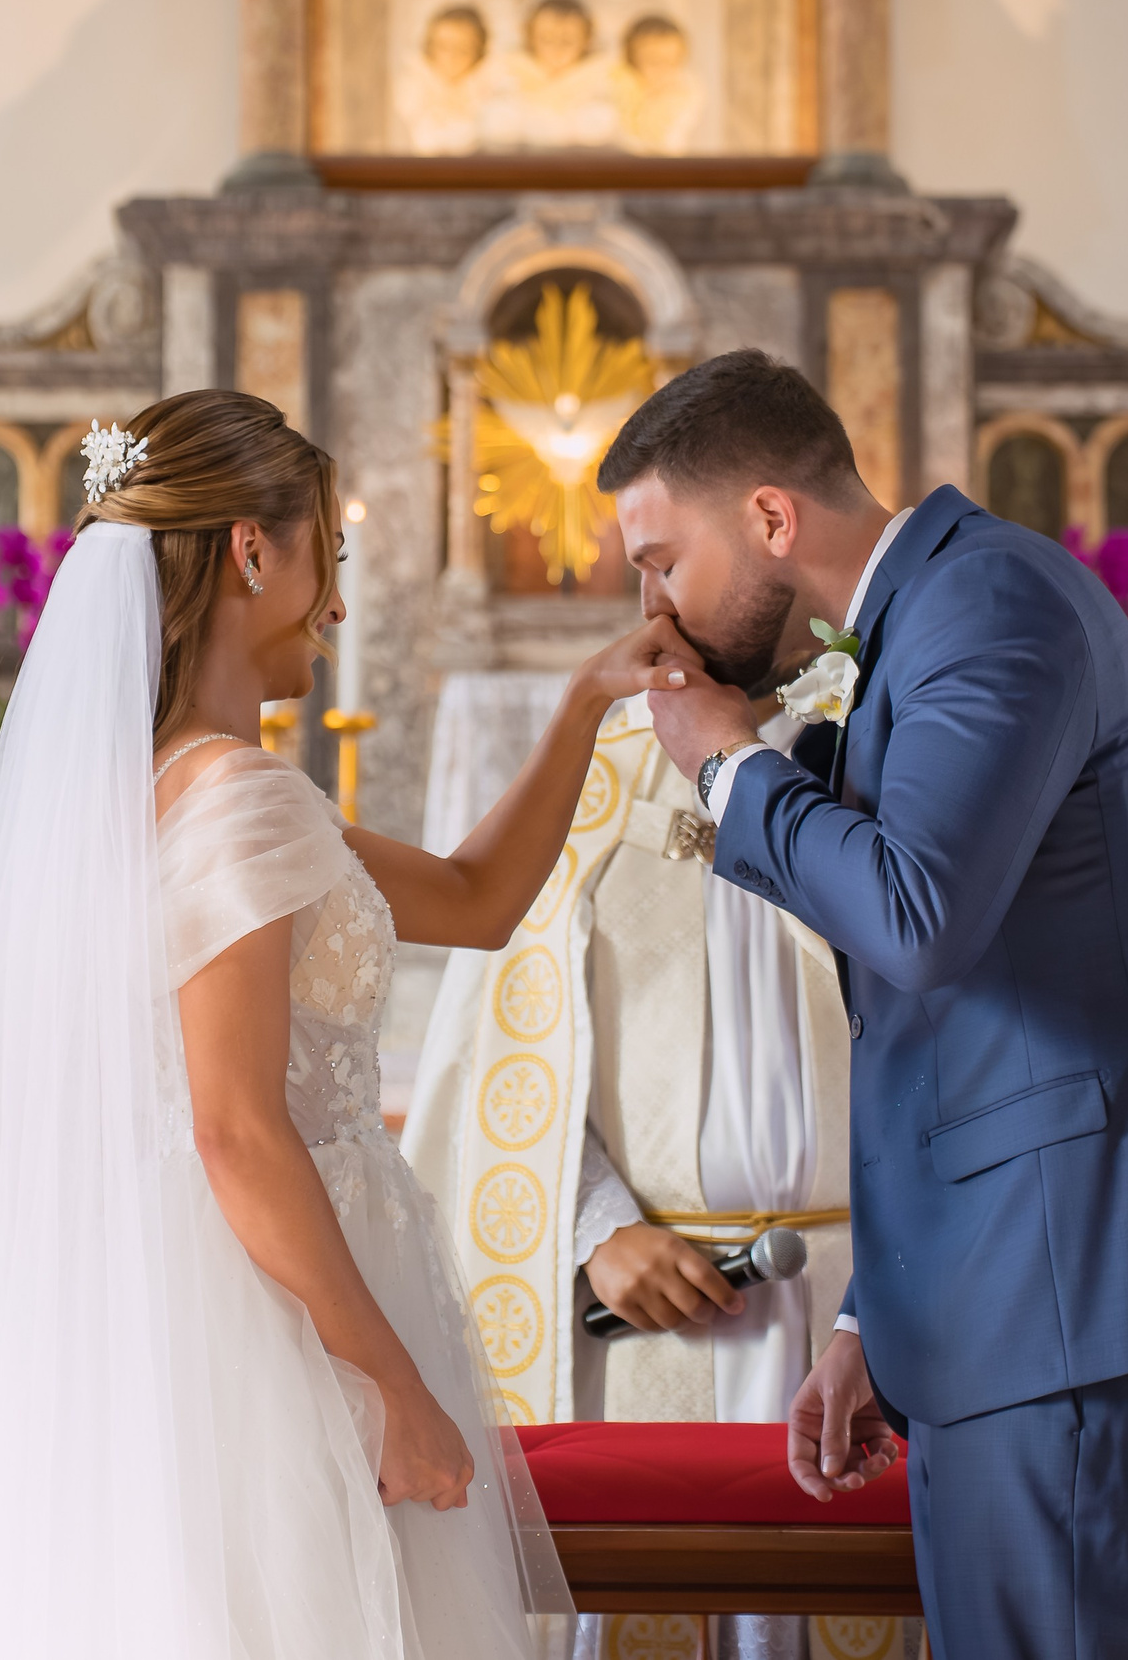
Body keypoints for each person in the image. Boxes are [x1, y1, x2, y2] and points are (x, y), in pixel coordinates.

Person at [0, 391, 700, 1660]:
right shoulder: (243, 801)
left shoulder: (149, 793)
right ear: (251, 552)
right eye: (326, 552)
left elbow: (479, 901)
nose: (334, 602)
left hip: (190, 1301)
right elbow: (235, 1129)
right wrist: (390, 1382)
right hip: (271, 1325)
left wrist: (582, 704)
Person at [609, 349, 1128, 1660]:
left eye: (661, 559)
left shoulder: (989, 601)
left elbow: (916, 919)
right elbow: (952, 1014)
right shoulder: (925, 621)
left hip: (1084, 1283)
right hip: (1017, 1284)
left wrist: (725, 761)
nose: (654, 604)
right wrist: (884, 1315)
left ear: (770, 516)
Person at [404, 705, 897, 1660]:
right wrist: (596, 1228)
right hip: (655, 1304)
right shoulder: (595, 775)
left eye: (674, 557)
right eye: (645, 562)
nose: (655, 594)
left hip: (863, 1287)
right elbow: (508, 1042)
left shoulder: (882, 742)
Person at [482, 0, 618, 151]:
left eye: (567, 41)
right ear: (530, 37)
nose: (556, 49)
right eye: (546, 39)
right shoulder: (506, 77)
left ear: (587, 40)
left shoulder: (605, 81)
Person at [397, 4, 494, 156]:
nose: (451, 56)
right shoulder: (415, 90)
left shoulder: (492, 90)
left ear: (479, 51)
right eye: (443, 46)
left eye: (462, 48)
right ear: (429, 47)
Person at [611, 15, 702, 155]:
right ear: (630, 63)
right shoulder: (617, 87)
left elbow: (667, 140)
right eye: (653, 61)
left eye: (671, 62)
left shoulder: (683, 92)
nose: (663, 69)